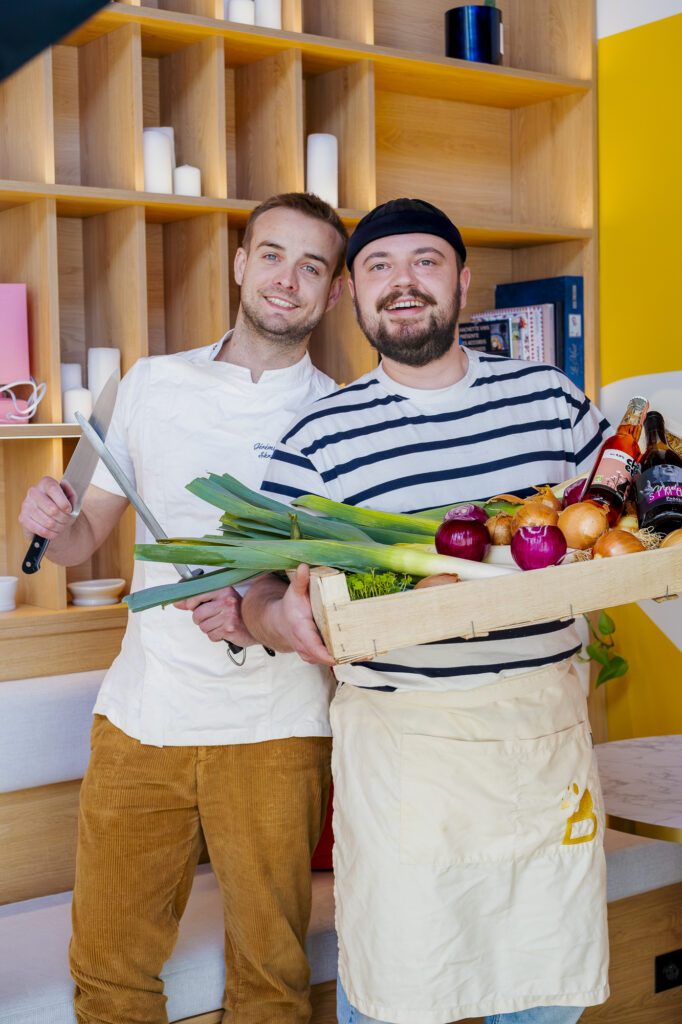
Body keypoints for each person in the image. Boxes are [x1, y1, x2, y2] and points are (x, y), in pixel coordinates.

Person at [242, 198, 612, 1024]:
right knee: (402, 995)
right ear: (355, 292)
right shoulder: (319, 435)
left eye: (426, 262)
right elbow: (259, 588)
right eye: (379, 267)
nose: (403, 283)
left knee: (543, 1002)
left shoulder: (550, 400)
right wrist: (278, 618)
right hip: (407, 761)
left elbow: (616, 524)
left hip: (541, 743)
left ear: (463, 282)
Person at [18, 192, 347, 1024]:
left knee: (271, 980)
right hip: (142, 719)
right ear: (240, 264)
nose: (287, 279)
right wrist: (48, 520)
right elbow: (82, 538)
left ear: (335, 293)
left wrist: (255, 605)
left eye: (313, 266)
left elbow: (338, 591)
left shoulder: (342, 415)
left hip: (276, 728)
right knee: (108, 971)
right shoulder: (148, 384)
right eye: (272, 255)